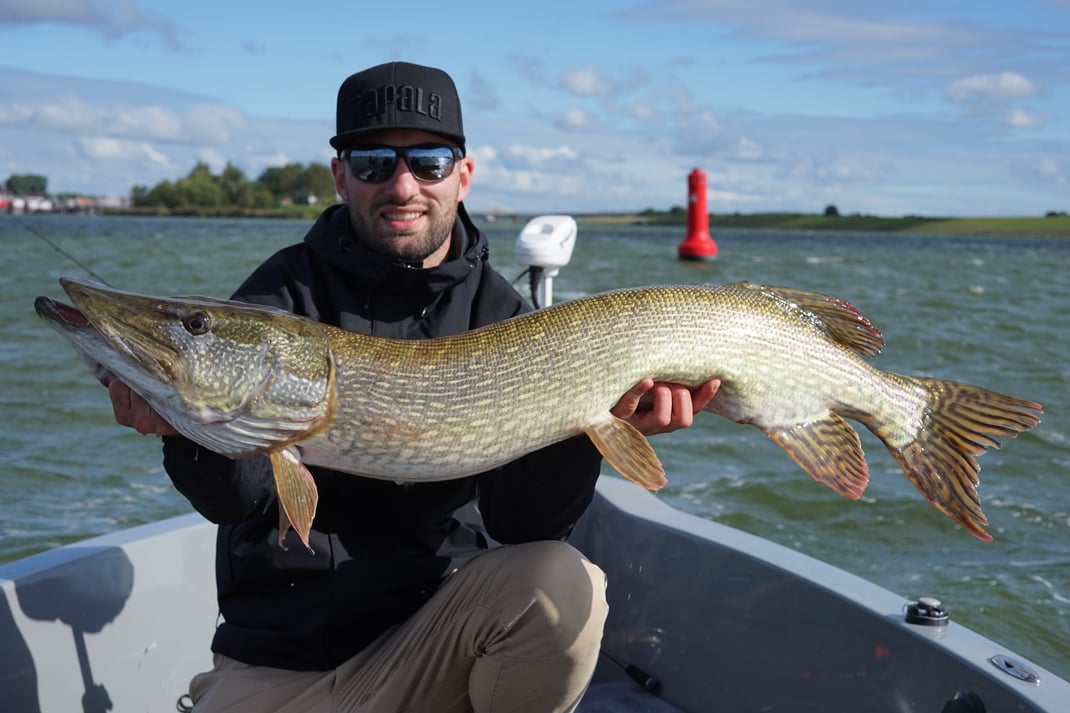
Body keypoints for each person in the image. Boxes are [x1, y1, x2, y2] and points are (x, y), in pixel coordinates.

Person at [108, 61, 720, 713]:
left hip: (442, 650)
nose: (402, 185)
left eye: (427, 161)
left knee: (562, 584)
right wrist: (185, 427)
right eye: (374, 161)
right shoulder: (284, 296)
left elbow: (524, 524)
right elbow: (244, 497)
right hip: (282, 670)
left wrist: (587, 428)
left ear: (463, 173)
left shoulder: (505, 315)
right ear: (341, 174)